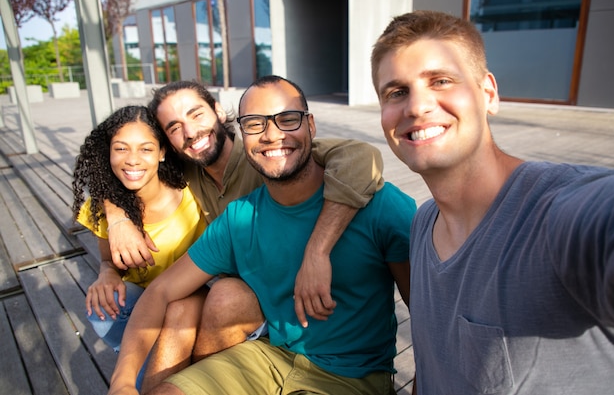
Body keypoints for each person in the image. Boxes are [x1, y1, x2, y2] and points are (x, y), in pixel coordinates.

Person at [107, 75, 415, 395]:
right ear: (241, 132)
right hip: (269, 357)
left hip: (351, 375)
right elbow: (159, 292)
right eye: (255, 123)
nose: (271, 135)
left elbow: (429, 317)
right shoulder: (238, 216)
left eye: (287, 119)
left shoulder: (379, 205)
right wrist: (122, 382)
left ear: (311, 125)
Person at [371, 9, 614, 394]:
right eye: (397, 92)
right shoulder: (424, 223)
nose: (417, 106)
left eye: (440, 80)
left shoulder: (558, 215)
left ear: (488, 93)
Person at [72, 106, 207, 358]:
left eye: (146, 149)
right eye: (121, 148)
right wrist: (107, 275)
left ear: (162, 152)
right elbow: (107, 261)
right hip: (141, 302)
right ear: (108, 153)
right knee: (102, 306)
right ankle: (143, 359)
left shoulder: (192, 192)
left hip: (188, 298)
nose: (132, 159)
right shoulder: (103, 206)